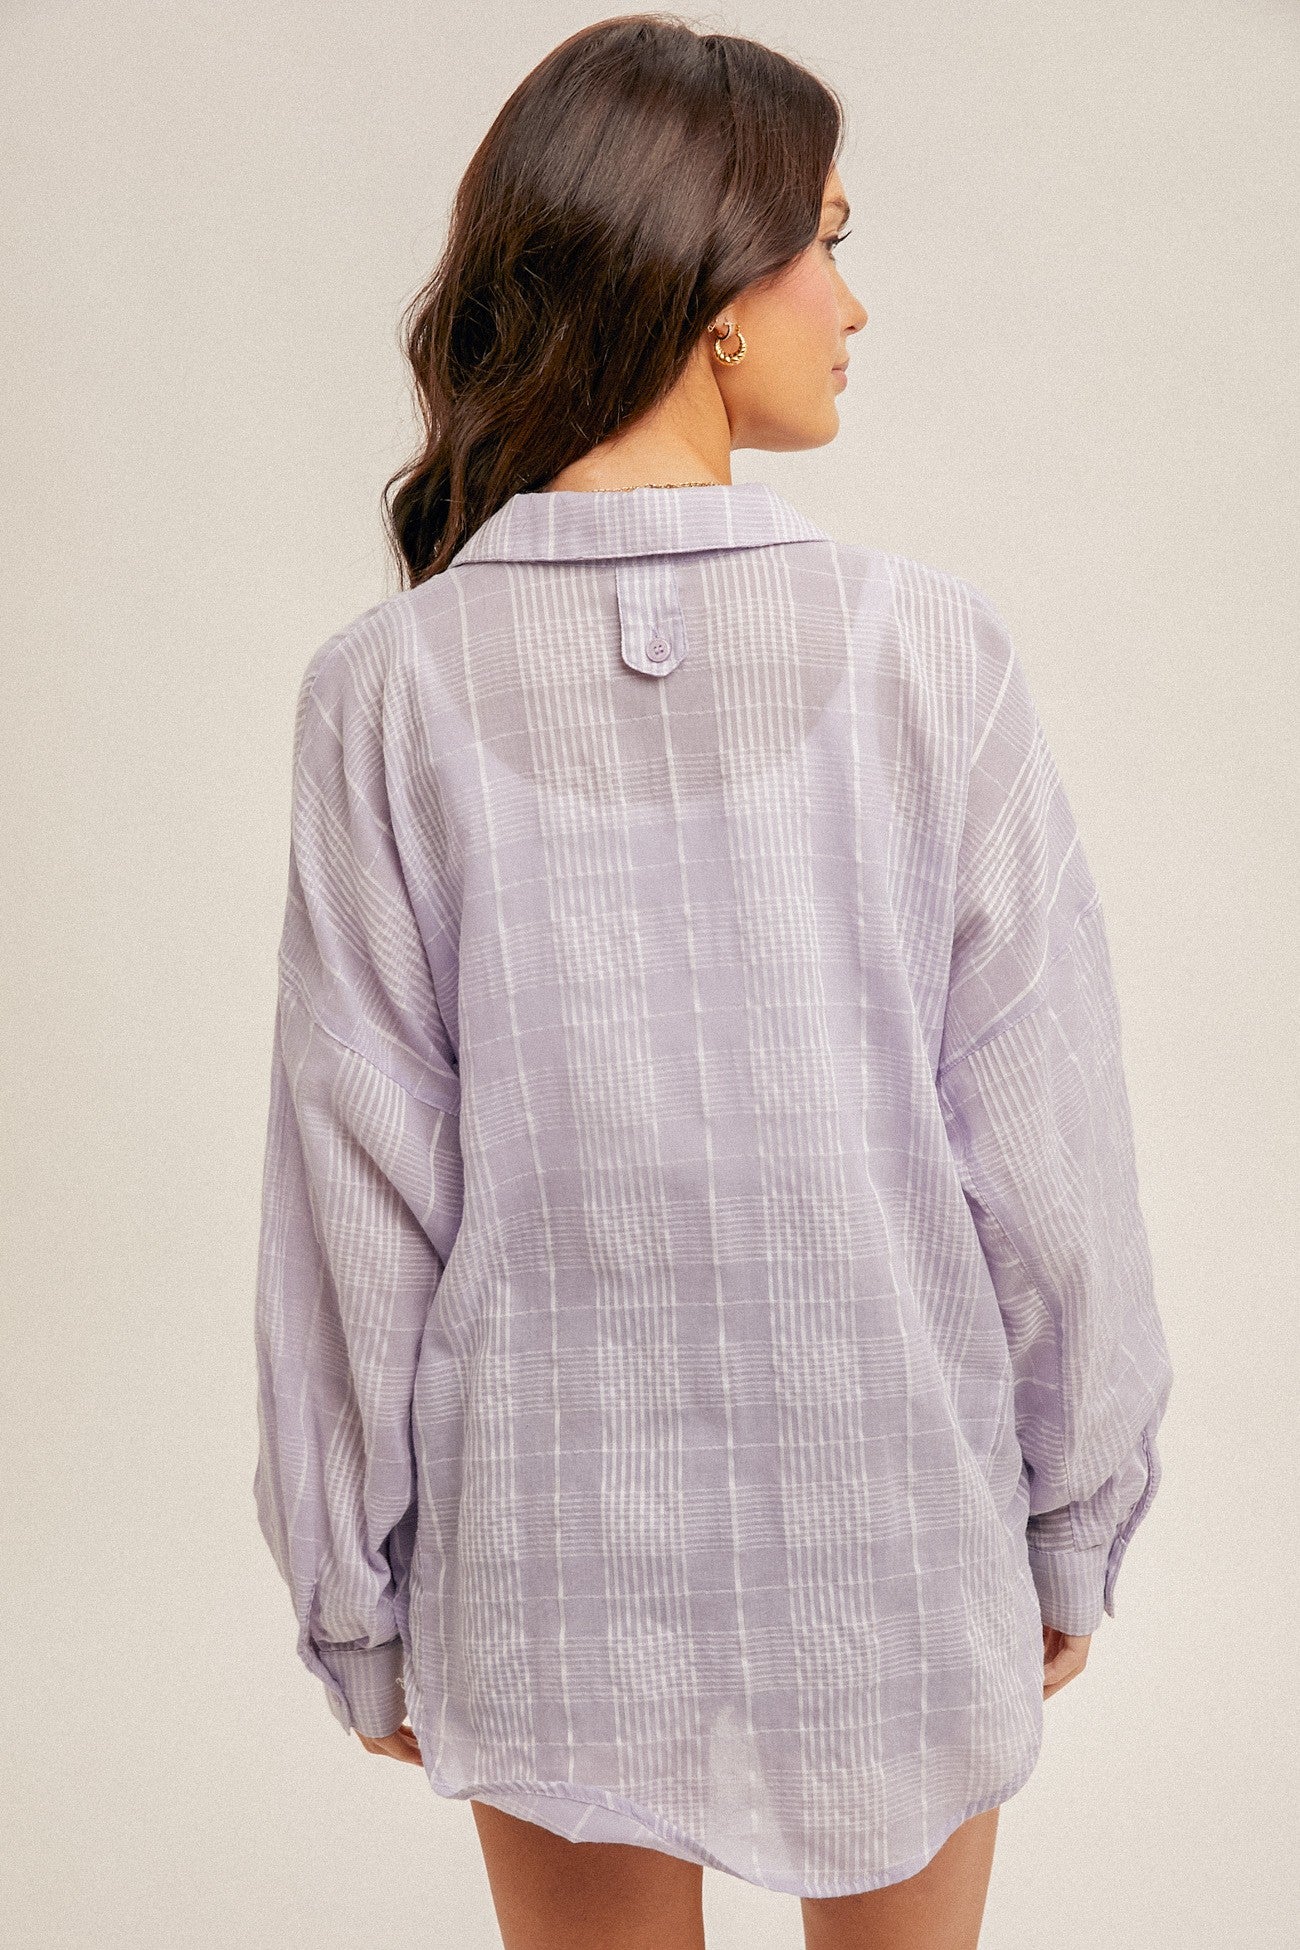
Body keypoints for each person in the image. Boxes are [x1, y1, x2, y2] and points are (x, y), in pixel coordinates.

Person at [251, 15, 1174, 1949]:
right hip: (895, 1511)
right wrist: (1075, 1503)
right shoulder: (932, 651)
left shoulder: (386, 689)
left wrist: (361, 1591)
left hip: (548, 1547)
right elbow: (1046, 1130)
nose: (855, 304)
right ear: (708, 288)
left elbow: (357, 1179)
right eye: (826, 244)